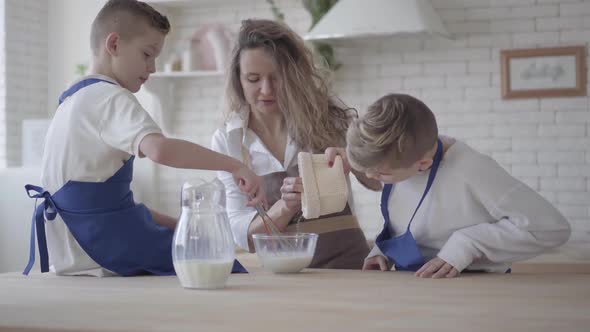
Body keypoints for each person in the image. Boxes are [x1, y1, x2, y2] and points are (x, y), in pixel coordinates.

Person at [24, 0, 265, 277]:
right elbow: (160, 150)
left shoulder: (71, 100)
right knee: (221, 263)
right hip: (102, 246)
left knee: (190, 244)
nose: (152, 67)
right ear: (113, 45)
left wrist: (178, 224)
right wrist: (235, 165)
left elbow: (104, 204)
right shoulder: (111, 97)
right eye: (147, 54)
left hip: (70, 252)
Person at [211, 19, 381, 269]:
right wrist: (284, 208)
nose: (266, 89)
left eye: (277, 77)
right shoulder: (229, 140)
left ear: (294, 76)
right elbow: (243, 236)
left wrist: (353, 159)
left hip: (349, 264)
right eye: (253, 78)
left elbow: (379, 181)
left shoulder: (328, 118)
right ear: (238, 80)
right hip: (284, 273)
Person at [344, 93, 571, 278]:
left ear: (423, 164)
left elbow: (552, 228)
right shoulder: (401, 159)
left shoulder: (471, 169)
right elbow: (415, 225)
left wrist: (467, 245)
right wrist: (383, 252)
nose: (373, 177)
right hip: (416, 285)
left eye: (382, 174)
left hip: (479, 288)